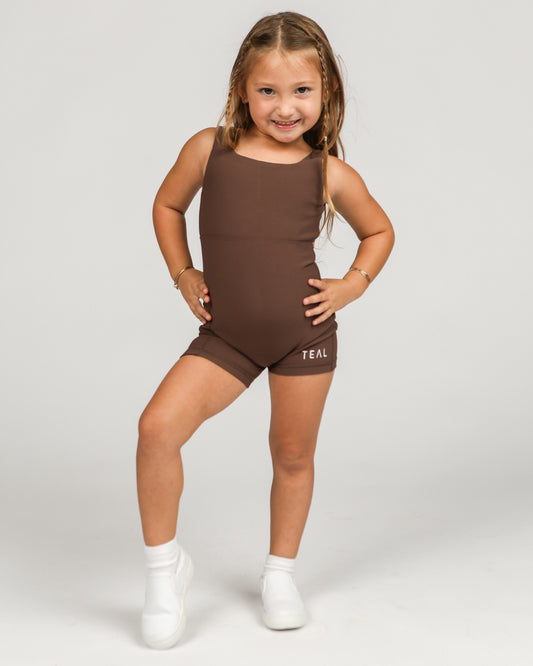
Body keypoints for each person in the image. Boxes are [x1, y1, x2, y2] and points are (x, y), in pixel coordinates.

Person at [136, 10, 395, 649]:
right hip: (228, 337)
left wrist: (352, 285)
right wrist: (183, 272)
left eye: (301, 90)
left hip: (303, 336)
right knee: (157, 431)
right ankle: (164, 573)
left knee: (292, 455)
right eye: (268, 91)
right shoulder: (209, 149)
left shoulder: (327, 172)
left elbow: (379, 231)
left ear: (326, 91)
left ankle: (280, 573)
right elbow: (166, 205)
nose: (285, 107)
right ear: (242, 90)